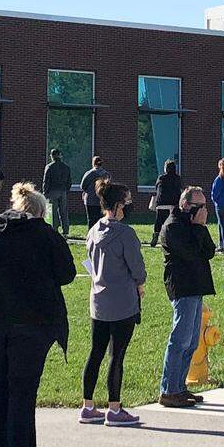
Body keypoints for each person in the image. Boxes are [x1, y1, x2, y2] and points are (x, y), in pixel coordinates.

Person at [0, 182, 76, 447]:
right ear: (40, 211)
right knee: (23, 389)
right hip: (32, 322)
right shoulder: (45, 235)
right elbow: (67, 274)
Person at [82, 180, 145, 426]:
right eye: (127, 202)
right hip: (122, 301)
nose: (129, 206)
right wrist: (140, 284)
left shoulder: (94, 230)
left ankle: (87, 405)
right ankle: (115, 409)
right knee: (116, 355)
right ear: (118, 205)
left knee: (96, 352)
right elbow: (137, 268)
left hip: (98, 300)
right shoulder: (126, 234)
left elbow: (88, 260)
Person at [157, 186, 216, 407]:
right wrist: (198, 227)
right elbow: (190, 254)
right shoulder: (173, 226)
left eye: (204, 206)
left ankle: (179, 387)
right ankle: (169, 390)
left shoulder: (194, 225)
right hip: (182, 287)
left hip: (196, 286)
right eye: (197, 206)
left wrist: (200, 227)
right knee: (179, 340)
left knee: (191, 342)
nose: (202, 210)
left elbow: (209, 251)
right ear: (184, 205)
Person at [151, 159, 182, 248]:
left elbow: (156, 188)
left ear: (166, 168)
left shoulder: (161, 178)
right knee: (173, 222)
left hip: (161, 204)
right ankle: (173, 238)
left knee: (158, 221)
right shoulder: (177, 178)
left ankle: (155, 236)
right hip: (174, 205)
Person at [42, 149, 72, 237]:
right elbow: (69, 181)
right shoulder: (66, 167)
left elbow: (46, 181)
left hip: (52, 191)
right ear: (60, 155)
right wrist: (66, 189)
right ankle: (65, 231)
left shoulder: (49, 167)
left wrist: (45, 192)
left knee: (53, 212)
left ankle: (54, 230)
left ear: (52, 156)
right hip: (63, 191)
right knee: (64, 212)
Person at [80, 156, 110, 230]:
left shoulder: (89, 173)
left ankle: (91, 236)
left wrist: (87, 191)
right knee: (101, 220)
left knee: (91, 219)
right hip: (101, 200)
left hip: (90, 199)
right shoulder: (106, 174)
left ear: (93, 163)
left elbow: (82, 186)